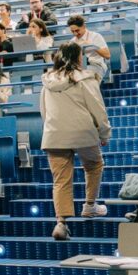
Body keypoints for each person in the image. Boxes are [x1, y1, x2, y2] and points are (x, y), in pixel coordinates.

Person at [40, 43, 111, 241]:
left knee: (61, 180)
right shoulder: (86, 78)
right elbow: (97, 108)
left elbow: (44, 112)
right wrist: (104, 133)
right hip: (82, 132)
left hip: (54, 134)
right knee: (94, 165)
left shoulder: (47, 81)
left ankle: (61, 223)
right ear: (78, 58)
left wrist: (51, 129)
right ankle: (89, 206)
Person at [68, 14, 111, 80]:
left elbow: (107, 55)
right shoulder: (72, 41)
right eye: (72, 31)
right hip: (78, 67)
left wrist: (92, 46)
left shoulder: (96, 36)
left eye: (77, 30)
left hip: (96, 65)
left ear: (84, 26)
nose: (75, 34)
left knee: (87, 78)